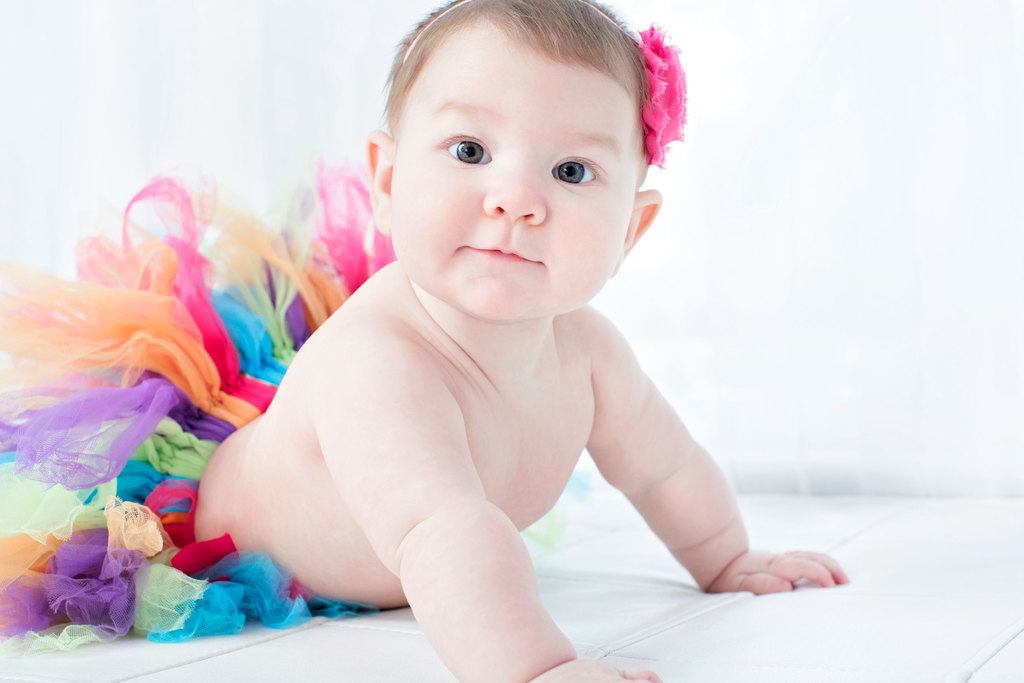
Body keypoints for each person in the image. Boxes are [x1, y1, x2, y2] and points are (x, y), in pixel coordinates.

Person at [0, 1, 849, 680]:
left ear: (633, 227)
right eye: (471, 149)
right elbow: (442, 531)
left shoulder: (588, 351)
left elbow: (665, 465)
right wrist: (534, 666)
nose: (516, 198)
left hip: (395, 555)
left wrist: (726, 556)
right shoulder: (381, 363)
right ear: (389, 180)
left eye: (572, 171)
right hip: (216, 536)